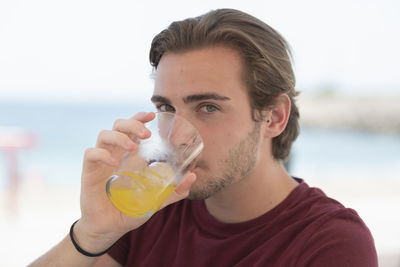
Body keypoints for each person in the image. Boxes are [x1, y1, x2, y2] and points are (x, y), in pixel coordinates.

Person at [30, 8, 378, 267]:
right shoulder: (151, 212)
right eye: (167, 107)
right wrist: (91, 234)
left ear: (274, 117)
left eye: (208, 107)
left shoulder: (329, 242)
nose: (177, 134)